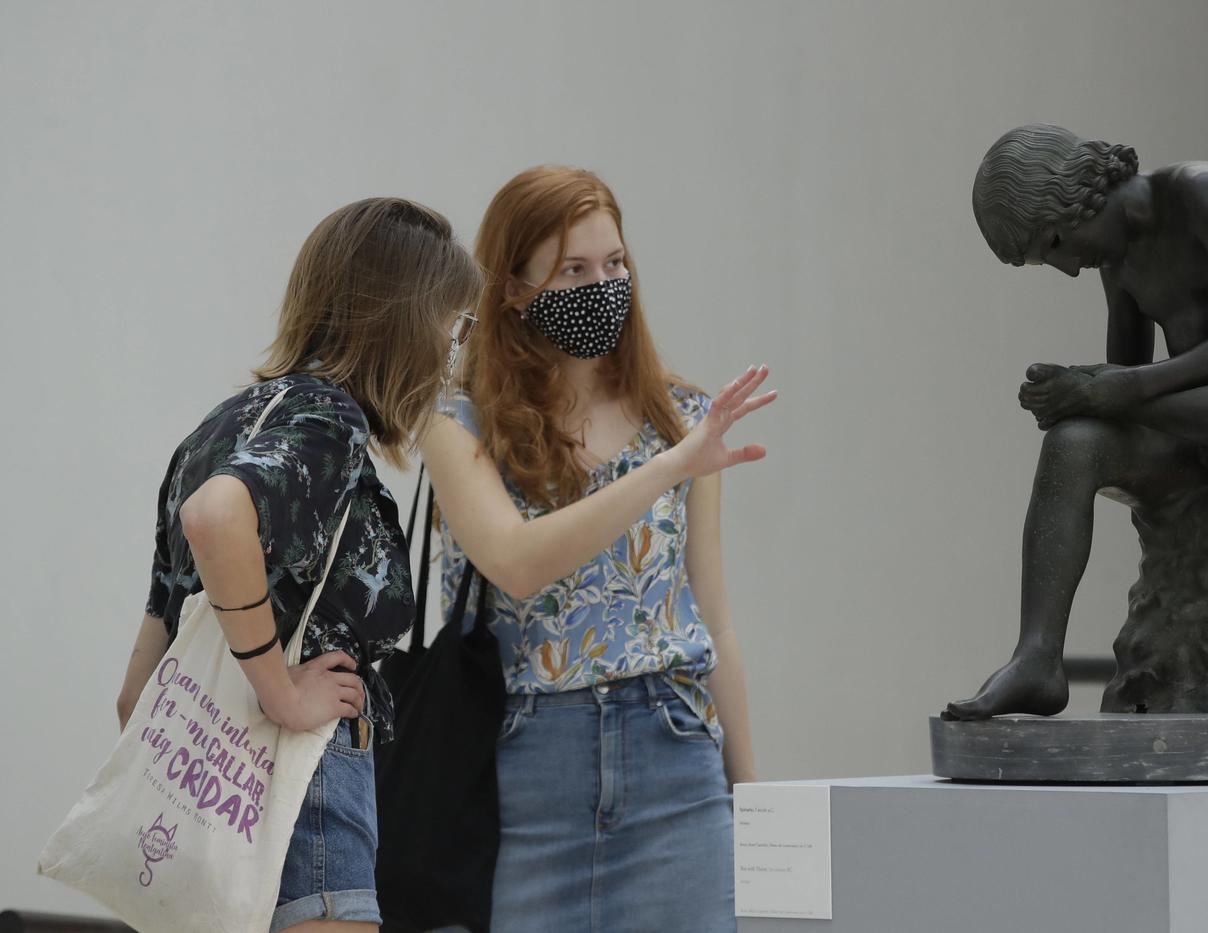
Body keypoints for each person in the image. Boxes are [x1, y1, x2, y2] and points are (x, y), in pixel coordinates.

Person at [421, 166, 776, 933]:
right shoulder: (459, 425)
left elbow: (714, 616)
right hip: (529, 766)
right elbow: (516, 561)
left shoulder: (680, 417)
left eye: (615, 264)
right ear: (514, 287)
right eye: (573, 270)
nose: (603, 284)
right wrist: (670, 467)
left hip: (674, 754)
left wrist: (749, 795)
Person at [115, 197, 482, 932]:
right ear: (405, 319)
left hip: (207, 827)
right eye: (456, 324)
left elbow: (136, 697)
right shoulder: (328, 421)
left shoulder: (214, 431)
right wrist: (280, 692)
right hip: (303, 805)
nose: (456, 348)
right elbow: (217, 517)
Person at [945, 124, 1208, 720]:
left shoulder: (1204, 193)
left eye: (1053, 243)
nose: (1067, 268)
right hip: (1199, 433)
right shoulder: (1118, 263)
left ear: (1078, 195)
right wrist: (1081, 394)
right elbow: (1125, 392)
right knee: (1077, 441)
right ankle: (1037, 659)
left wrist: (1109, 388)